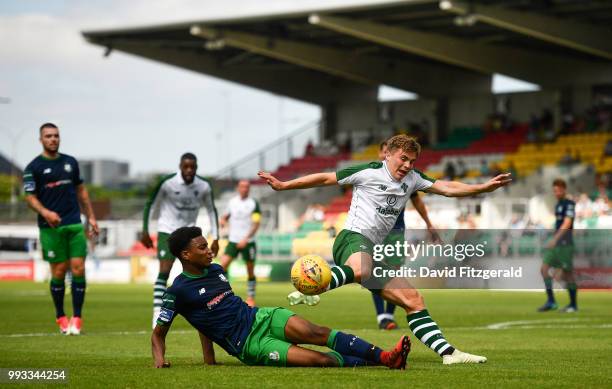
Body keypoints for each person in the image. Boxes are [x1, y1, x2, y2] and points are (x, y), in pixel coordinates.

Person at [258, 134, 512, 364]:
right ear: (387, 154)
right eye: (403, 159)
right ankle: (314, 284)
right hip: (352, 239)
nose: (408, 165)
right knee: (361, 267)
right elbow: (326, 178)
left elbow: (447, 187)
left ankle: (449, 354)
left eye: (412, 161)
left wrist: (482, 188)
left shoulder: (413, 179)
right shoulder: (368, 172)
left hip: (374, 251)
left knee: (413, 300)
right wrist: (284, 185)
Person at [151, 226, 411, 369]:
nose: (210, 251)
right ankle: (380, 361)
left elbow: (206, 316)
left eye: (208, 246)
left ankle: (386, 357)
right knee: (318, 360)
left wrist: (209, 358)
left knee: (318, 332)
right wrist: (160, 361)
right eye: (202, 248)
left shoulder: (217, 270)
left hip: (260, 317)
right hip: (249, 344)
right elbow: (159, 333)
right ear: (186, 255)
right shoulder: (178, 291)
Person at [23, 122, 98, 335]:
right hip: (50, 227)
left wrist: (91, 217)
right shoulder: (33, 167)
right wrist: (46, 213)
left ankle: (77, 317)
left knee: (79, 269)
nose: (53, 139)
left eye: (56, 135)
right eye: (48, 136)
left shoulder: (70, 162)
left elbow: (81, 191)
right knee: (58, 271)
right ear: (41, 140)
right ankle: (60, 315)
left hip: (74, 223)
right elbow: (29, 197)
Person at [141, 153, 219, 328]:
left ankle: (208, 309)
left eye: (192, 167)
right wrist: (145, 229)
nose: (189, 170)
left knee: (201, 270)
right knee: (165, 269)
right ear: (180, 166)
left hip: (189, 235)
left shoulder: (204, 186)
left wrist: (217, 237)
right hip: (167, 231)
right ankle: (157, 313)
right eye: (186, 167)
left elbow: (211, 210)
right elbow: (150, 203)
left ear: (196, 167)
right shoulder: (168, 183)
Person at [372, 140, 439, 331]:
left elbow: (417, 201)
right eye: (384, 151)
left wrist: (429, 224)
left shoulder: (405, 177)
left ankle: (388, 315)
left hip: (396, 230)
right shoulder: (371, 175)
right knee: (375, 272)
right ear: (382, 154)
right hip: (375, 230)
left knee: (394, 271)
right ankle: (382, 317)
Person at [219, 180, 261, 307]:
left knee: (250, 270)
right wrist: (222, 221)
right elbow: (225, 217)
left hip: (248, 242)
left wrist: (246, 238)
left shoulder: (253, 204)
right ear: (238, 188)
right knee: (222, 267)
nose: (245, 189)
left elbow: (256, 224)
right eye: (242, 186)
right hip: (233, 240)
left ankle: (251, 297)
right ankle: (224, 293)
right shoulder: (232, 202)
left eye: (247, 187)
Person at [538, 179, 577, 313]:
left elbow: (567, 224)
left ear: (564, 189)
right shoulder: (558, 204)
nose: (557, 192)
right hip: (556, 244)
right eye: (555, 190)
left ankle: (573, 305)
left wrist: (555, 239)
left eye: (559, 190)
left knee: (568, 274)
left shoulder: (569, 204)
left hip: (565, 244)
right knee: (544, 269)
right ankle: (551, 301)